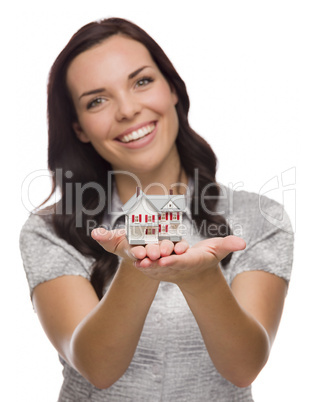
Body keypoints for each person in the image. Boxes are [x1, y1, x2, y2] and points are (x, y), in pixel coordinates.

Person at [20, 17, 294, 401]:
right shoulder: (50, 231)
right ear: (79, 127)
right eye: (97, 100)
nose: (127, 110)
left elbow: (244, 366)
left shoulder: (260, 219)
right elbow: (97, 367)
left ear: (173, 90)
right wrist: (137, 269)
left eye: (142, 81)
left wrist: (203, 280)